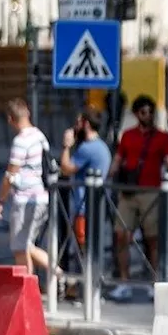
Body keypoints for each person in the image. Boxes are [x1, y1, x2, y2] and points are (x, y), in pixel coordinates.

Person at [109, 95, 168, 301]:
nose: (147, 116)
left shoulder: (162, 137)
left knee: (152, 240)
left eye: (150, 112)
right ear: (136, 114)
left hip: (152, 193)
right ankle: (124, 281)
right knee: (121, 235)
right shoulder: (128, 136)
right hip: (128, 192)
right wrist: (105, 179)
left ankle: (154, 282)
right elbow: (117, 160)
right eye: (143, 112)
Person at [0, 98, 60, 284]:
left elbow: (10, 175)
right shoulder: (40, 136)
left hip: (25, 200)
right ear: (27, 113)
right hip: (42, 197)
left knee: (19, 247)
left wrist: (0, 200)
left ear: (10, 119)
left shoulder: (20, 141)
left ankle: (28, 290)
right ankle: (61, 275)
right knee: (26, 245)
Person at [59, 105, 114, 298]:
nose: (75, 127)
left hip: (83, 206)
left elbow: (66, 168)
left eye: (78, 122)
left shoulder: (86, 148)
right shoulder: (102, 146)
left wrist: (66, 145)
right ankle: (89, 287)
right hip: (96, 206)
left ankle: (81, 288)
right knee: (89, 248)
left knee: (80, 249)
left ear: (86, 124)